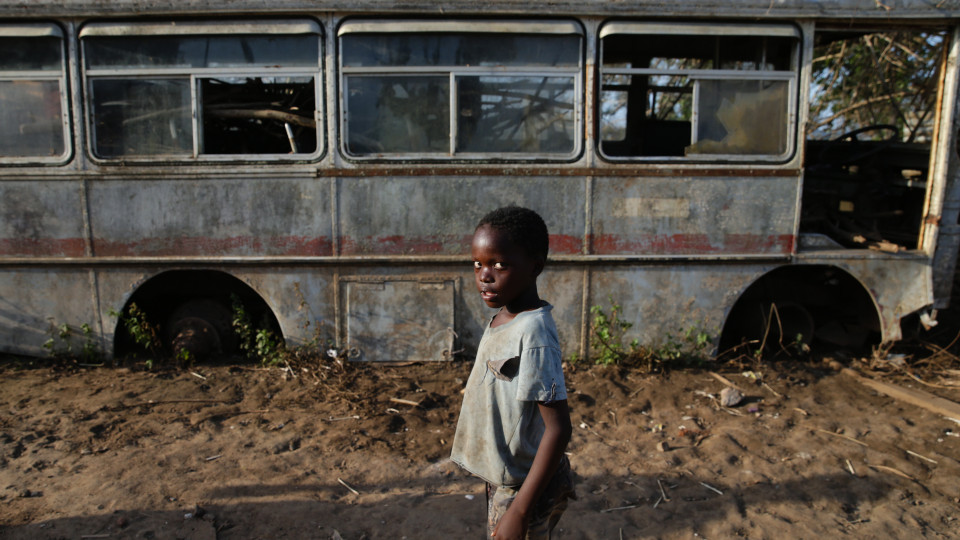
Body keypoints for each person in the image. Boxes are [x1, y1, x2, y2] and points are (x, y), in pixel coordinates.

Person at [451, 206, 575, 539]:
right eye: (478, 264)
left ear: (535, 266)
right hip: (506, 478)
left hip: (523, 486)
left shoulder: (533, 332)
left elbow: (559, 429)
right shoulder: (505, 317)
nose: (484, 275)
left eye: (499, 264)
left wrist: (519, 510)